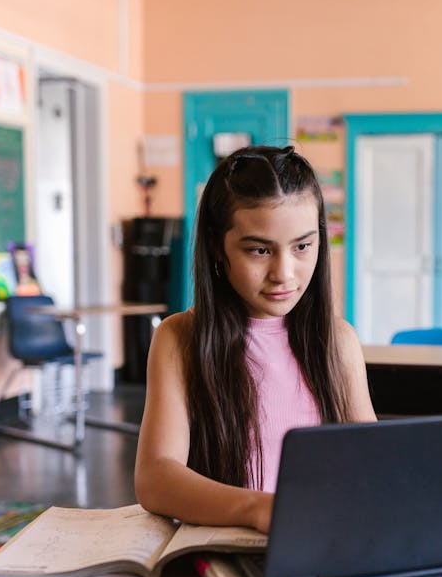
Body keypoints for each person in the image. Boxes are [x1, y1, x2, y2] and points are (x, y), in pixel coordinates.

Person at [134, 145, 377, 534]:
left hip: (322, 542)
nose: (284, 273)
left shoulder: (338, 340)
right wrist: (259, 509)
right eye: (260, 250)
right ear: (217, 246)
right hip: (226, 552)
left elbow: (372, 461)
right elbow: (156, 478)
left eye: (302, 246)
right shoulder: (179, 339)